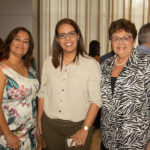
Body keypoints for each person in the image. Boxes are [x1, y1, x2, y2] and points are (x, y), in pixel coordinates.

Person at [37, 18, 102, 150]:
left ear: (78, 36)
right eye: (62, 35)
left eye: (71, 34)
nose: (67, 39)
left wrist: (85, 129)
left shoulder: (91, 65)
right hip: (50, 125)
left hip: (78, 126)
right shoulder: (49, 62)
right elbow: (42, 93)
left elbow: (96, 100)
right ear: (57, 39)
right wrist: (39, 120)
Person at [100, 18, 150, 150]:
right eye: (116, 38)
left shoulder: (146, 63)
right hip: (108, 138)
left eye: (126, 38)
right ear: (111, 41)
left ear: (133, 40)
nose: (120, 42)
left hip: (135, 140)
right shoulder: (105, 65)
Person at [0, 27, 39, 149]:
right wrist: (8, 135)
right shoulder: (2, 69)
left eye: (26, 41)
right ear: (9, 42)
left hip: (30, 131)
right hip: (11, 133)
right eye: (17, 39)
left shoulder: (29, 66)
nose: (21, 44)